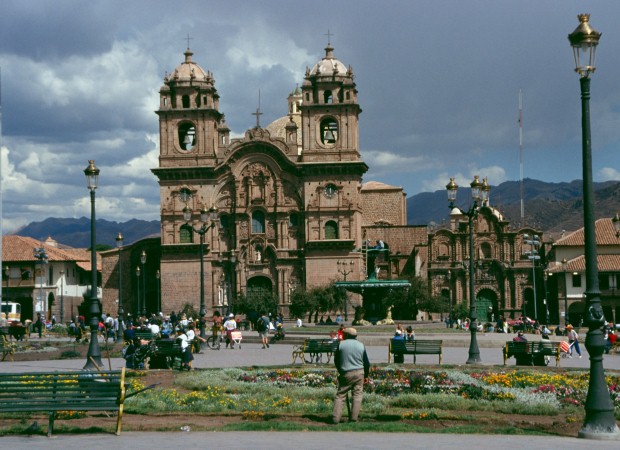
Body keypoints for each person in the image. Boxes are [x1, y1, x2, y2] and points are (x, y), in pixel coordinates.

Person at [332, 327, 370, 424]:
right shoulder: (361, 345)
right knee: (357, 395)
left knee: (340, 395)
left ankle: (335, 418)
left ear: (346, 335)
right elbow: (366, 363)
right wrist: (366, 376)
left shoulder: (341, 344)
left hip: (346, 372)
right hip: (359, 373)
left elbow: (336, 360)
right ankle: (353, 418)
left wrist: (340, 371)